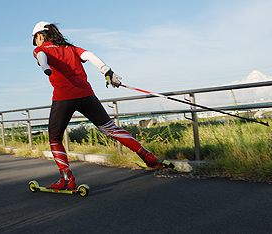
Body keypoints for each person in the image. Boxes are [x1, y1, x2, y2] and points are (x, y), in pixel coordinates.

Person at [32, 21, 173, 190]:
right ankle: (148, 157)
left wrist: (45, 67)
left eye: (35, 40)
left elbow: (41, 57)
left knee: (55, 138)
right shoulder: (71, 48)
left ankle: (67, 178)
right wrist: (107, 71)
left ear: (39, 36)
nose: (36, 43)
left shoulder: (43, 49)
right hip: (87, 95)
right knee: (110, 128)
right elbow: (90, 55)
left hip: (64, 98)